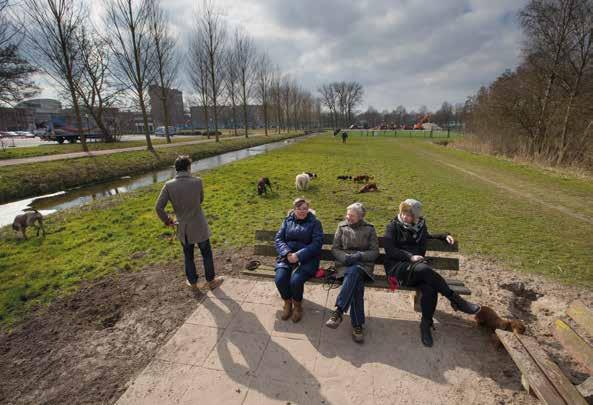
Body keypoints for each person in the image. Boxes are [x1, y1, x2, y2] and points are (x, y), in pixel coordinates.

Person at [383, 198, 480, 347]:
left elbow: (426, 236)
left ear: (416, 217)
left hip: (418, 269)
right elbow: (390, 250)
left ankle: (425, 325)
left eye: (409, 215)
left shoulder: (420, 226)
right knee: (424, 270)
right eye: (403, 213)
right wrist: (410, 256)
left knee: (430, 287)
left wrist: (443, 235)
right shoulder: (393, 226)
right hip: (397, 269)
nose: (405, 217)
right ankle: (455, 299)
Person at [155, 155, 224, 292]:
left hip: (183, 228)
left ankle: (193, 284)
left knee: (188, 256)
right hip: (199, 225)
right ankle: (211, 281)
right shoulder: (197, 181)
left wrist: (168, 220)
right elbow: (200, 200)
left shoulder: (168, 185)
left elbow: (158, 207)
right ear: (188, 167)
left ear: (176, 169)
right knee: (206, 254)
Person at [325, 202, 379, 343]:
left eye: (352, 215)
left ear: (361, 216)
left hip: (363, 265)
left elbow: (374, 252)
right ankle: (357, 325)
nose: (348, 217)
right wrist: (345, 257)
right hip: (345, 265)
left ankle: (338, 312)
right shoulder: (341, 227)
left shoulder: (370, 229)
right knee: (356, 281)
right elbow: (335, 248)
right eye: (347, 214)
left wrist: (360, 256)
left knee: (355, 272)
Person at [274, 198, 323, 323]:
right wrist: (287, 253)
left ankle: (297, 306)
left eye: (305, 208)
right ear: (294, 209)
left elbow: (317, 244)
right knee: (280, 279)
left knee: (295, 281)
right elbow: (279, 239)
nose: (302, 211)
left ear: (308, 209)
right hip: (287, 256)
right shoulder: (287, 221)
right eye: (299, 208)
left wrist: (298, 255)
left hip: (308, 258)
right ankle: (287, 303)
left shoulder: (315, 223)